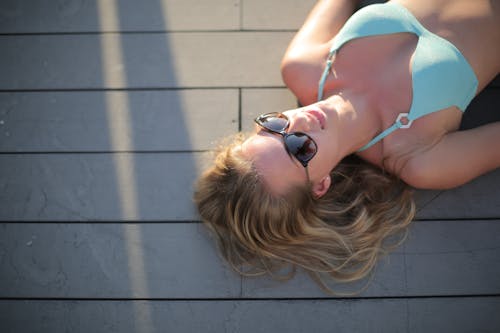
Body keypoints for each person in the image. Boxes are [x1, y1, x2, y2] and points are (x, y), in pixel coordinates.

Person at [194, 0, 500, 293]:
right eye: (300, 148)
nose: (299, 121)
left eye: (274, 126)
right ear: (321, 185)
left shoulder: (302, 67)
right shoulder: (417, 158)